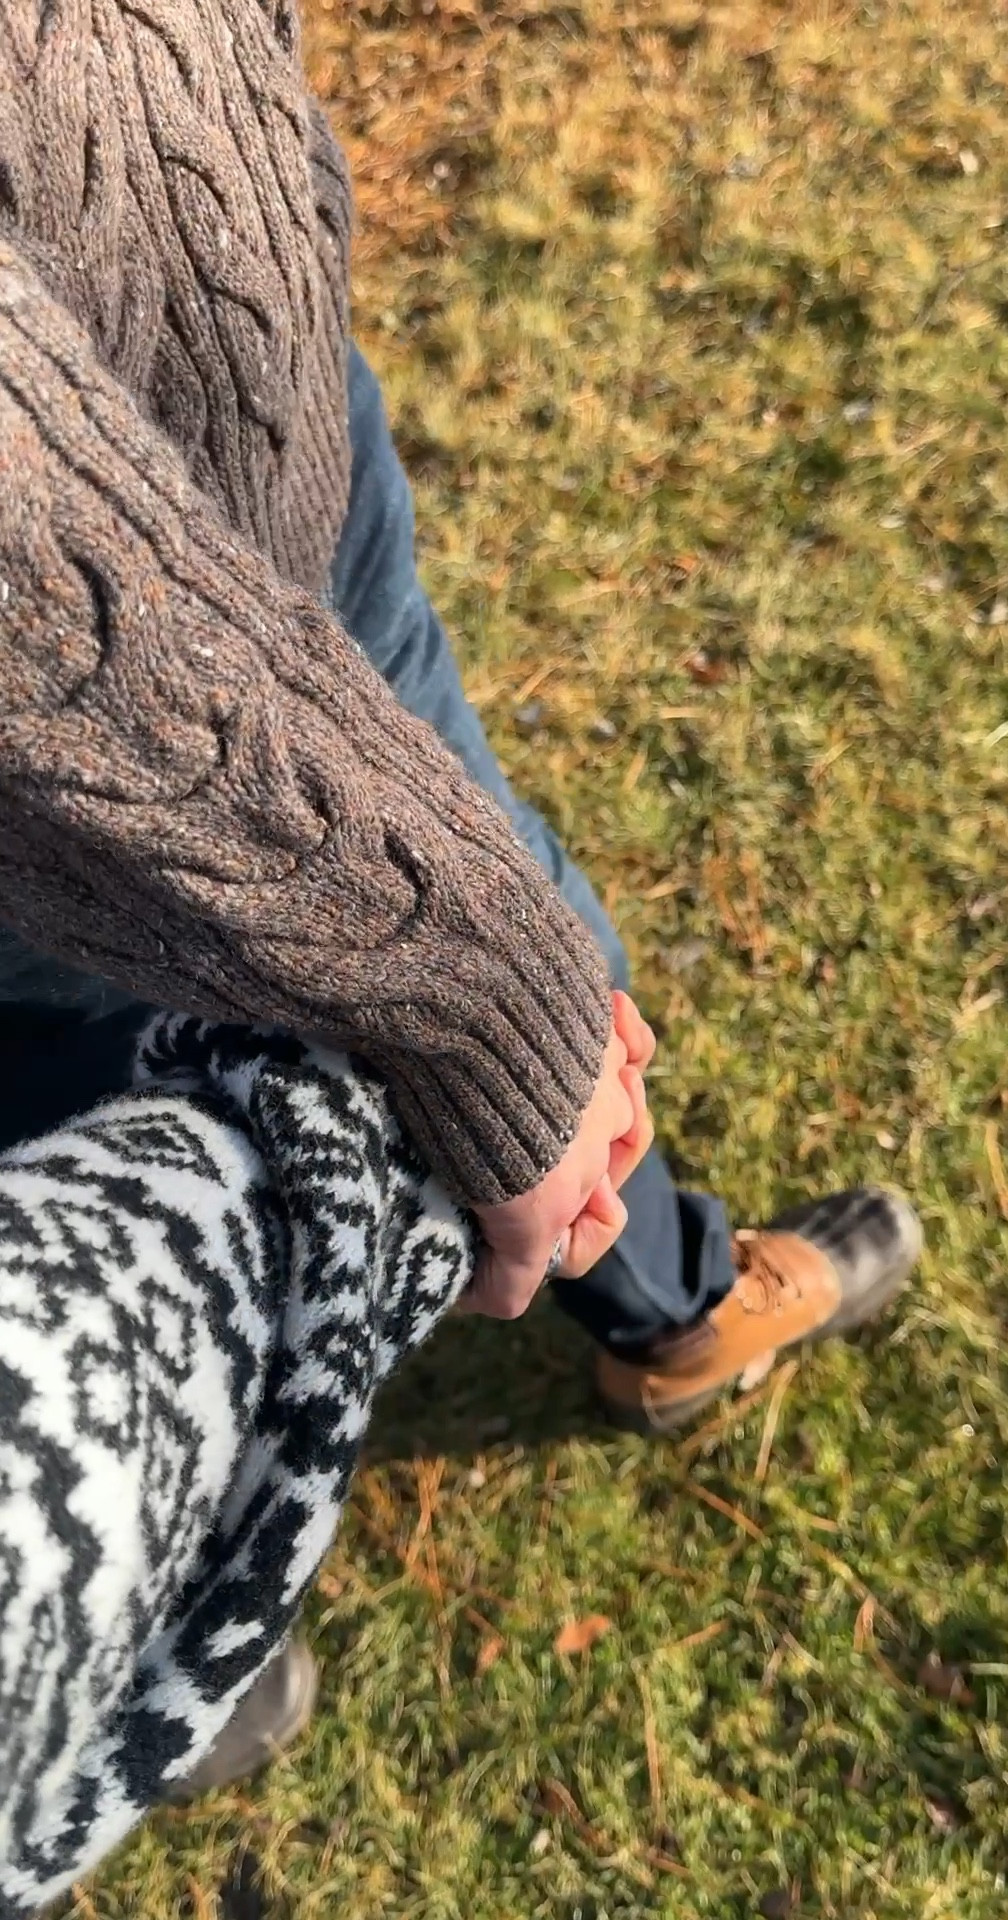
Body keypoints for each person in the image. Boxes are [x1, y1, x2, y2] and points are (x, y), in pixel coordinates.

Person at [0, 0, 922, 1831]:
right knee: (137, 1177)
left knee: (537, 1014)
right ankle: (146, 1647)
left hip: (281, 427)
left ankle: (669, 1311)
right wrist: (469, 980)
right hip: (50, 726)